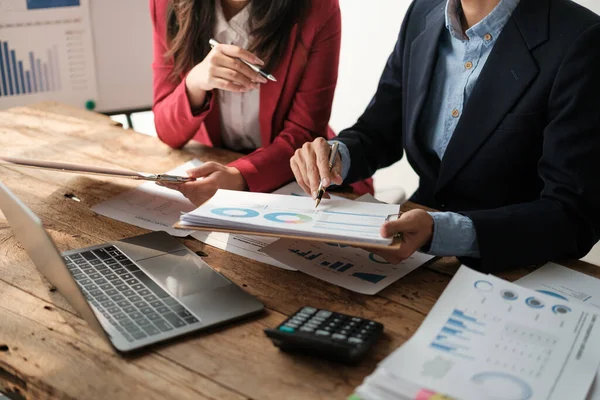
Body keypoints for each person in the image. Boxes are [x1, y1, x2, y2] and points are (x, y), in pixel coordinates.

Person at [290, 0, 600, 272]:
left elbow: (572, 215)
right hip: (412, 248)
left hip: (514, 264)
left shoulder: (581, 39)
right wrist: (335, 155)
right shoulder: (424, 10)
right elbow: (379, 130)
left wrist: (443, 231)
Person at [149, 0, 372, 206]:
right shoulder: (167, 4)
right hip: (208, 165)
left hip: (288, 174)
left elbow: (303, 132)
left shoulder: (317, 9)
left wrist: (239, 176)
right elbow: (167, 132)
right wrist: (194, 83)